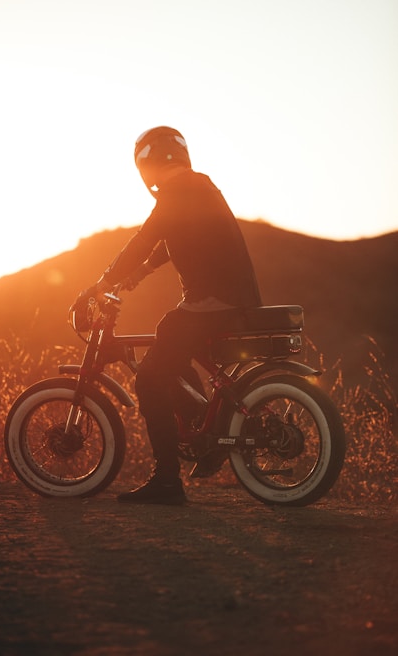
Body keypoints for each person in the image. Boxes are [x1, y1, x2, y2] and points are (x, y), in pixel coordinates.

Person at [73, 126, 262, 505]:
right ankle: (200, 426)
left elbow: (144, 239)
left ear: (147, 165)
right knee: (168, 340)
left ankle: (166, 482)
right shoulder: (200, 187)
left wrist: (101, 284)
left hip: (211, 302)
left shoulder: (175, 194)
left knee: (148, 379)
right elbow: (172, 240)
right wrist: (140, 273)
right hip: (235, 300)